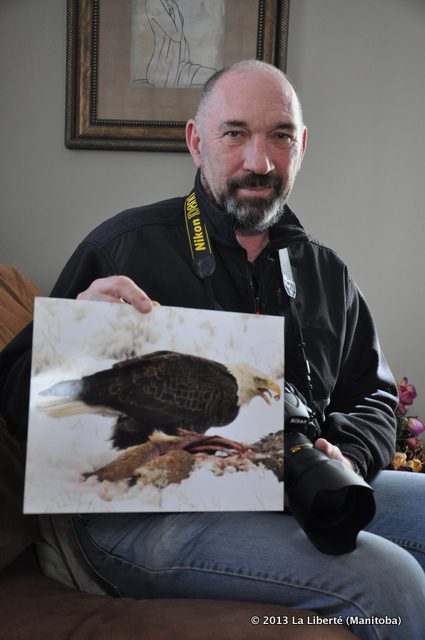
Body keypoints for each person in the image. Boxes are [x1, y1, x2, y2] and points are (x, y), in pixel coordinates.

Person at [1, 60, 425, 639]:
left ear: (302, 146)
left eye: (279, 136)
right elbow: (14, 390)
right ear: (196, 142)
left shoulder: (325, 271)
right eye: (235, 133)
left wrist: (346, 456)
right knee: (391, 584)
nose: (260, 161)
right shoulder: (125, 248)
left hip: (292, 489)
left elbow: (375, 395)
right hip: (142, 515)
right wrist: (74, 342)